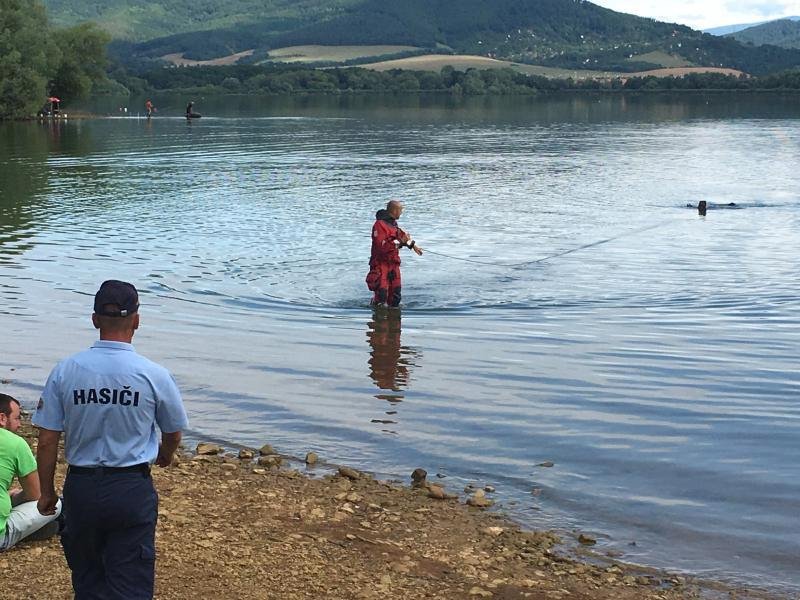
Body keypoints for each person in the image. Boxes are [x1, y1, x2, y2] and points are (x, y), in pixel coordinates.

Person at [34, 280, 189, 600]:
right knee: (130, 579)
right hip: (130, 487)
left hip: (81, 487)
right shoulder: (153, 374)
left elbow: (48, 440)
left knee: (87, 576)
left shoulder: (66, 371)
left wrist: (48, 492)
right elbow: (173, 430)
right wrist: (165, 454)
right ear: (136, 320)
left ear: (94, 320)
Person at [0, 393, 62, 551]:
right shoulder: (15, 443)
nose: (20, 425)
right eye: (17, 418)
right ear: (2, 418)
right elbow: (36, 495)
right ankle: (33, 531)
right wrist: (17, 496)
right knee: (55, 503)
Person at [366, 200, 423, 307]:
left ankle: (393, 320)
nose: (401, 213)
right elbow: (382, 246)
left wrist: (414, 246)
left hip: (393, 264)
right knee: (381, 295)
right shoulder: (379, 225)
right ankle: (378, 317)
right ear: (395, 210)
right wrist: (401, 243)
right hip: (380, 264)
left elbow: (401, 236)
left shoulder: (393, 224)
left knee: (395, 296)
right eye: (400, 210)